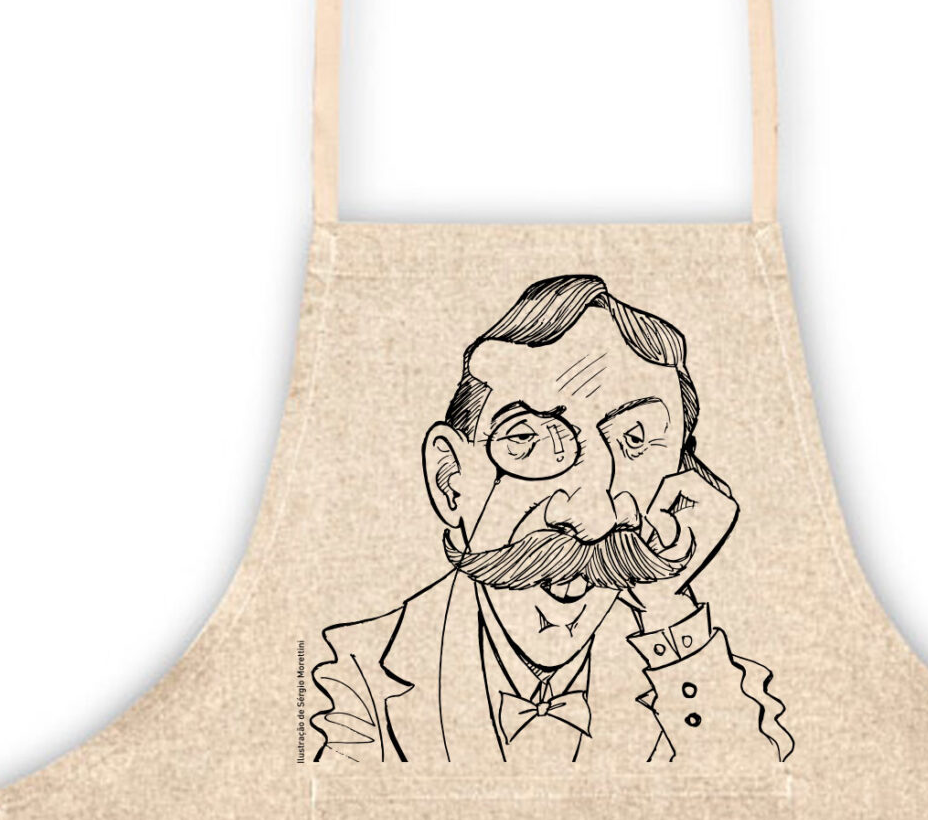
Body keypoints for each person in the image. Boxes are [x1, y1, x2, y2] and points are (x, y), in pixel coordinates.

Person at [310, 274, 792, 764]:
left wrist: (666, 606)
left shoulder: (707, 679)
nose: (590, 512)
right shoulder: (359, 673)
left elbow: (756, 800)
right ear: (451, 480)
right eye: (526, 439)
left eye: (636, 443)